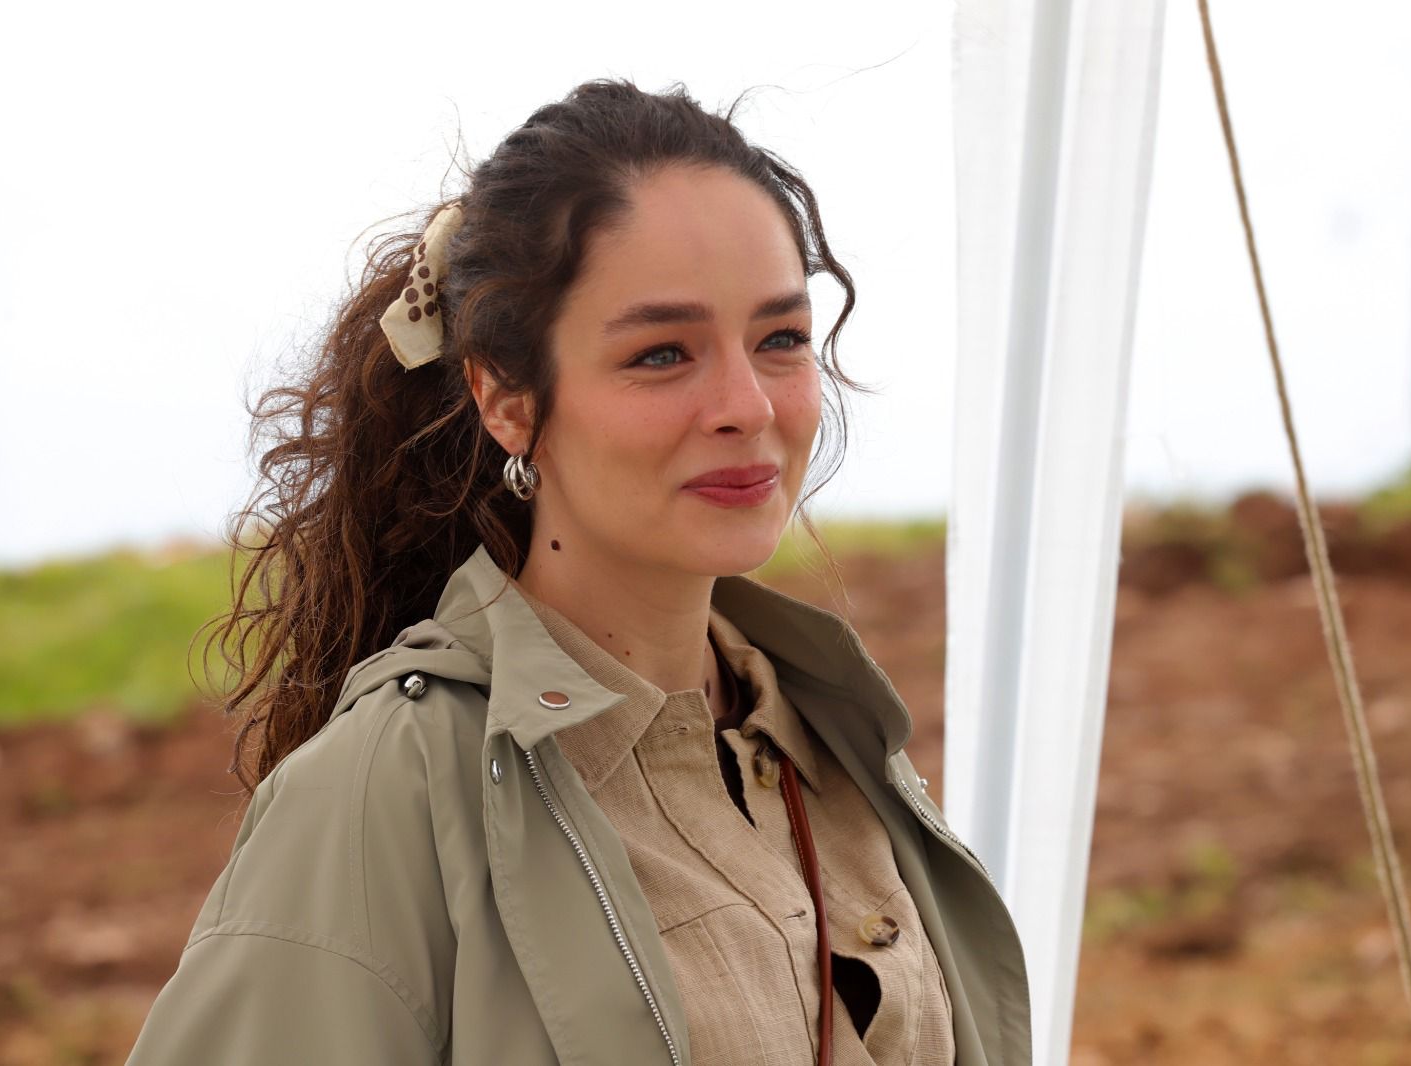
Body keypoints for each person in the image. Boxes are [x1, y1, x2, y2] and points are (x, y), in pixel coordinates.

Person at [125, 78, 1029, 1066]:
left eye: (780, 339)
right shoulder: (393, 788)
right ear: (507, 400)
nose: (747, 406)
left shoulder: (839, 739)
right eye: (663, 353)